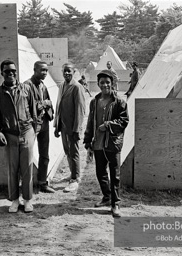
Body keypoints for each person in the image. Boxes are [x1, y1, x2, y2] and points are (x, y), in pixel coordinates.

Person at [0, 59, 37, 213]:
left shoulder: (26, 89)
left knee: (27, 168)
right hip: (10, 136)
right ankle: (15, 200)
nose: (11, 74)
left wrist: (33, 132)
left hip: (27, 132)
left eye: (13, 71)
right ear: (2, 73)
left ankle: (28, 200)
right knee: (12, 169)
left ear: (17, 72)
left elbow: (34, 112)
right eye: (7, 71)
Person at [83, 69, 129, 218]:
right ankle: (107, 197)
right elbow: (91, 121)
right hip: (98, 143)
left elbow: (124, 121)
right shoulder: (94, 101)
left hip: (112, 143)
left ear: (112, 84)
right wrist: (87, 140)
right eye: (102, 83)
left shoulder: (119, 102)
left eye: (107, 82)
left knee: (114, 175)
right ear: (98, 84)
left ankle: (115, 204)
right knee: (100, 172)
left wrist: (108, 125)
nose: (105, 85)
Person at [23, 61, 55, 193]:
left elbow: (49, 103)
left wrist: (46, 104)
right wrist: (42, 104)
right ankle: (27, 185)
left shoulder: (43, 85)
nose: (45, 73)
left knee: (44, 154)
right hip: (32, 125)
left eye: (46, 71)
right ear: (34, 70)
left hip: (44, 124)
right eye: (42, 70)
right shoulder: (26, 86)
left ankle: (43, 183)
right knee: (27, 155)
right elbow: (25, 107)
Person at [54, 63, 86, 193]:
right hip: (64, 126)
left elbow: (80, 109)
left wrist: (77, 128)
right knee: (67, 152)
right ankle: (72, 173)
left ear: (74, 72)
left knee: (74, 153)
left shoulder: (77, 87)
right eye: (65, 71)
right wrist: (57, 125)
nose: (67, 73)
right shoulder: (62, 86)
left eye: (69, 71)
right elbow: (58, 106)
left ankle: (75, 179)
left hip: (73, 127)